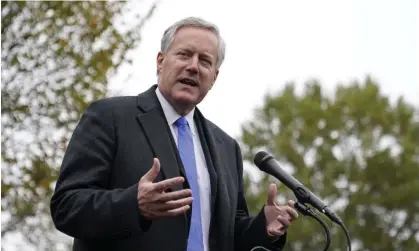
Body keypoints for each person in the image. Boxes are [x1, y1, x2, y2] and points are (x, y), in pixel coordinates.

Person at [50, 16, 298, 251]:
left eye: (205, 61)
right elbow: (67, 206)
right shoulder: (110, 117)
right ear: (160, 61)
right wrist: (133, 205)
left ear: (214, 77)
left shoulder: (227, 147)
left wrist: (262, 228)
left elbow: (227, 234)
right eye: (184, 54)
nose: (193, 67)